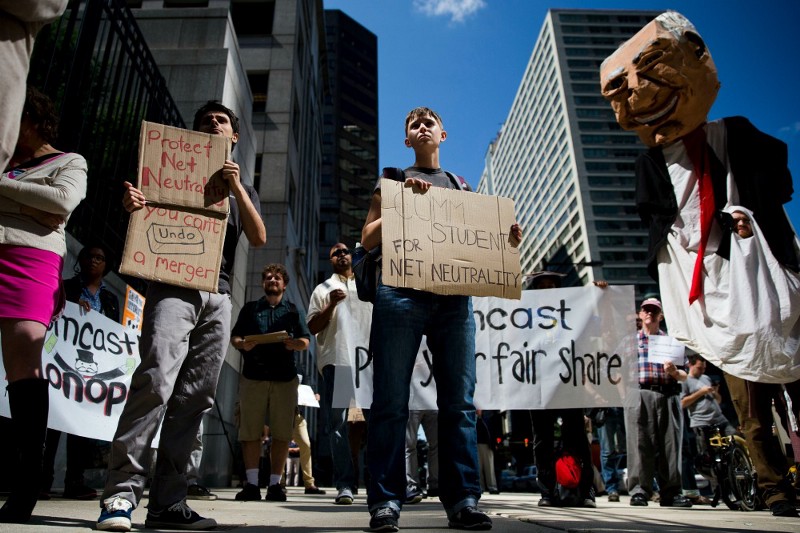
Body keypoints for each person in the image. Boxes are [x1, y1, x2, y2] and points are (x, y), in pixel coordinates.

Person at [601, 11, 800, 517]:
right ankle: (775, 489)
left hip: (763, 273)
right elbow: (657, 220)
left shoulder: (736, 135)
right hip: (713, 289)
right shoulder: (650, 164)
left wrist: (742, 211)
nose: (638, 94)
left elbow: (781, 185)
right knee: (749, 405)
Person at [96, 101, 266, 531]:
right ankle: (119, 496)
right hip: (172, 285)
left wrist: (238, 189)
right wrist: (134, 203)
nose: (212, 123)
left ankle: (168, 503)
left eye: (221, 121)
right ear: (192, 133)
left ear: (234, 137)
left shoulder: (242, 186)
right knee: (155, 381)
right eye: (204, 119)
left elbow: (260, 236)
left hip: (219, 295)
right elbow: (146, 222)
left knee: (195, 399)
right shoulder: (167, 169)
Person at [360, 106, 522, 532]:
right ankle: (385, 502)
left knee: (459, 405)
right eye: (414, 124)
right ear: (407, 139)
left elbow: (480, 242)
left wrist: (505, 239)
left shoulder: (461, 186)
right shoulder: (391, 179)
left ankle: (464, 500)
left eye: (429, 121)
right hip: (400, 294)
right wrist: (398, 208)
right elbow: (367, 239)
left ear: (443, 135)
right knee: (391, 402)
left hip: (453, 300)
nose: (422, 126)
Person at [0, 86, 87, 523]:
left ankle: (26, 478)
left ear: (33, 118)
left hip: (30, 263)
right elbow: (45, 208)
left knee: (24, 366)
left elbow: (61, 203)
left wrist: (6, 191)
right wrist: (30, 203)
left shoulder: (70, 162)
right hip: (18, 246)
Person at [42, 243, 120, 501]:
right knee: (52, 424)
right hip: (62, 363)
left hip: (90, 372)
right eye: (90, 256)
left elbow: (112, 335)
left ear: (107, 264)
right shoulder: (67, 287)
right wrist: (74, 305)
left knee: (80, 427)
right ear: (81, 259)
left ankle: (74, 481)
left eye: (100, 257)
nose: (94, 261)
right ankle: (42, 480)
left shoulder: (110, 299)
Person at [230, 263, 311, 503]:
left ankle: (275, 485)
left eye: (276, 278)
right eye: (267, 278)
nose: (272, 280)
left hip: (284, 379)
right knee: (250, 432)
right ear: (263, 283)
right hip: (253, 377)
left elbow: (306, 339)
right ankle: (252, 485)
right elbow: (235, 336)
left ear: (284, 284)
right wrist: (240, 343)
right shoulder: (250, 309)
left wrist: (297, 344)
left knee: (282, 433)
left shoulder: (294, 311)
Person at [307, 242, 373, 505]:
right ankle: (345, 484)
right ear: (330, 259)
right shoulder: (323, 289)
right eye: (336, 252)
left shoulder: (368, 285)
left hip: (368, 363)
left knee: (376, 420)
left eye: (346, 251)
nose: (342, 254)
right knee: (338, 424)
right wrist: (331, 305)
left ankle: (377, 480)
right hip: (340, 363)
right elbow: (312, 326)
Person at [527, 272, 595, 508]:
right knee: (542, 440)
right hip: (539, 385)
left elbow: (594, 325)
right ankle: (547, 492)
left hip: (569, 382)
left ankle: (586, 491)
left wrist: (598, 293)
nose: (547, 289)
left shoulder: (572, 312)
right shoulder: (524, 316)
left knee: (576, 437)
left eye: (551, 286)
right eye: (542, 286)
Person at [625, 298, 691, 508]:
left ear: (661, 316)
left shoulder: (671, 341)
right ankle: (639, 491)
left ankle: (671, 492)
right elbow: (615, 369)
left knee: (670, 445)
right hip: (639, 393)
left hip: (667, 394)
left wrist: (674, 372)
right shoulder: (628, 342)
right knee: (639, 443)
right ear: (640, 314)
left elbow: (685, 375)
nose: (650, 314)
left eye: (654, 311)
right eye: (646, 310)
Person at [0, 1, 68, 173]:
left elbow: (63, 198)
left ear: (38, 120)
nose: (18, 124)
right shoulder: (14, 158)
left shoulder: (70, 161)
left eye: (23, 116)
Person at [681, 354, 735, 504]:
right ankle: (717, 489)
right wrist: (701, 392)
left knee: (733, 446)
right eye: (699, 367)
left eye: (704, 368)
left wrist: (714, 392)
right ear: (690, 365)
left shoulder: (705, 378)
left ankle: (733, 486)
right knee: (708, 457)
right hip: (701, 422)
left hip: (719, 419)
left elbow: (718, 400)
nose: (701, 370)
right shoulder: (685, 380)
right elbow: (682, 403)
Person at [405, 410, 439, 502]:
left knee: (436, 445)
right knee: (409, 446)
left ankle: (434, 485)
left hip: (432, 402)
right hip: (411, 403)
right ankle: (411, 486)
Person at [291, 409, 326, 494]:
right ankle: (279, 483)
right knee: (279, 443)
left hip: (297, 413)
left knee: (306, 444)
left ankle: (309, 484)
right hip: (280, 411)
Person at [476, 410, 498, 495]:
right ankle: (480, 487)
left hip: (487, 445)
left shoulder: (487, 419)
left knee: (489, 467)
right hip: (476, 445)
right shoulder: (474, 420)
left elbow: (492, 432)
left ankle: (492, 486)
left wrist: (494, 444)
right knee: (479, 468)